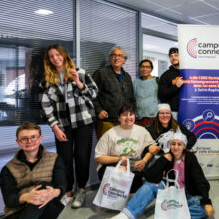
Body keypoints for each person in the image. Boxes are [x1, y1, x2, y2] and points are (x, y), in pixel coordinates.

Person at [104, 132, 213, 219]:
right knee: (149, 186)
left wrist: (207, 202)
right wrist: (163, 161)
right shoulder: (167, 157)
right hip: (170, 190)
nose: (176, 147)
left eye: (179, 144)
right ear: (170, 145)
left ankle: (167, 210)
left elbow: (200, 181)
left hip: (187, 193)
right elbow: (148, 176)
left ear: (184, 146)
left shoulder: (190, 159)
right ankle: (127, 216)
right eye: (173, 144)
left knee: (202, 210)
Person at [40, 44, 98, 208]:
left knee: (81, 157)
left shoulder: (80, 72)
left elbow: (94, 93)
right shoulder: (47, 80)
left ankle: (81, 189)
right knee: (65, 159)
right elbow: (45, 106)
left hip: (83, 122)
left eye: (57, 54)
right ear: (48, 60)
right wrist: (55, 127)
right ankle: (67, 191)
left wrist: (78, 82)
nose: (55, 58)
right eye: (51, 56)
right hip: (62, 124)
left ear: (64, 55)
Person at [94, 104, 157, 193]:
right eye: (124, 115)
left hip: (133, 169)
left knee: (132, 200)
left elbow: (151, 149)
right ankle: (114, 195)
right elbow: (98, 157)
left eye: (131, 114)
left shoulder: (142, 131)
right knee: (122, 172)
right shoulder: (110, 134)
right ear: (119, 118)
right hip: (113, 168)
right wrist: (118, 159)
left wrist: (144, 161)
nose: (128, 117)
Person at [93, 46, 136, 140]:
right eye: (114, 55)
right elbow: (92, 95)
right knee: (106, 149)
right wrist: (98, 110)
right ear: (110, 58)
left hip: (124, 120)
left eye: (120, 55)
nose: (117, 58)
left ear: (124, 60)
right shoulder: (101, 73)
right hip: (107, 120)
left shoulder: (127, 76)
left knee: (122, 147)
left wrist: (131, 113)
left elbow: (132, 98)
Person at [158, 47, 182, 119]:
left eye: (176, 55)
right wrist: (176, 86)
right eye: (171, 56)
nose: (173, 58)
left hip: (189, 110)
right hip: (173, 112)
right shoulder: (165, 75)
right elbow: (162, 95)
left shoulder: (188, 72)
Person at [133, 59, 159, 127]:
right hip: (138, 118)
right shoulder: (135, 82)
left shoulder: (157, 81)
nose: (144, 69)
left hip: (153, 117)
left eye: (147, 67)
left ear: (151, 69)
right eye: (142, 67)